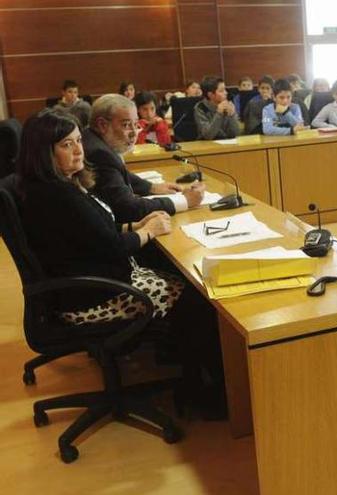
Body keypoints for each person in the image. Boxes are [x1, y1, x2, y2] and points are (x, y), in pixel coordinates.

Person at [16, 108, 226, 415]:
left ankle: (186, 368)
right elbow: (111, 246)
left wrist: (135, 227)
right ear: (43, 153)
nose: (78, 150)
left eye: (78, 141)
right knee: (196, 296)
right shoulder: (59, 195)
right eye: (66, 145)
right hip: (93, 296)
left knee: (182, 281)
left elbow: (93, 233)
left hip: (84, 281)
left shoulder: (53, 186)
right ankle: (202, 393)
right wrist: (149, 231)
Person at [85, 94, 204, 223]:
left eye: (135, 124)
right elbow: (129, 209)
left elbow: (119, 173)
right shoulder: (99, 154)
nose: (134, 132)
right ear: (102, 125)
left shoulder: (94, 140)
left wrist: (151, 187)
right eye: (126, 125)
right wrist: (184, 201)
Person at [194, 76, 239, 140]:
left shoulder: (228, 105)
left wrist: (232, 115)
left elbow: (235, 133)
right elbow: (208, 135)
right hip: (207, 145)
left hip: (227, 144)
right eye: (221, 91)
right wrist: (219, 113)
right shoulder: (200, 108)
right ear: (210, 95)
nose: (226, 93)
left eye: (225, 89)